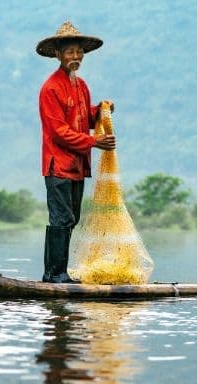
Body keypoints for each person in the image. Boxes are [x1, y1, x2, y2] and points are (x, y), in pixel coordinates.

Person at [36, 21, 116, 283]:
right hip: (57, 165)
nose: (75, 56)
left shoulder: (81, 85)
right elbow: (59, 131)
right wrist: (95, 142)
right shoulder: (51, 88)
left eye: (78, 51)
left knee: (72, 218)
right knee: (61, 218)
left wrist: (101, 111)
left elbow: (84, 119)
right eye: (69, 52)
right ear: (57, 54)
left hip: (77, 166)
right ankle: (54, 275)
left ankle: (58, 273)